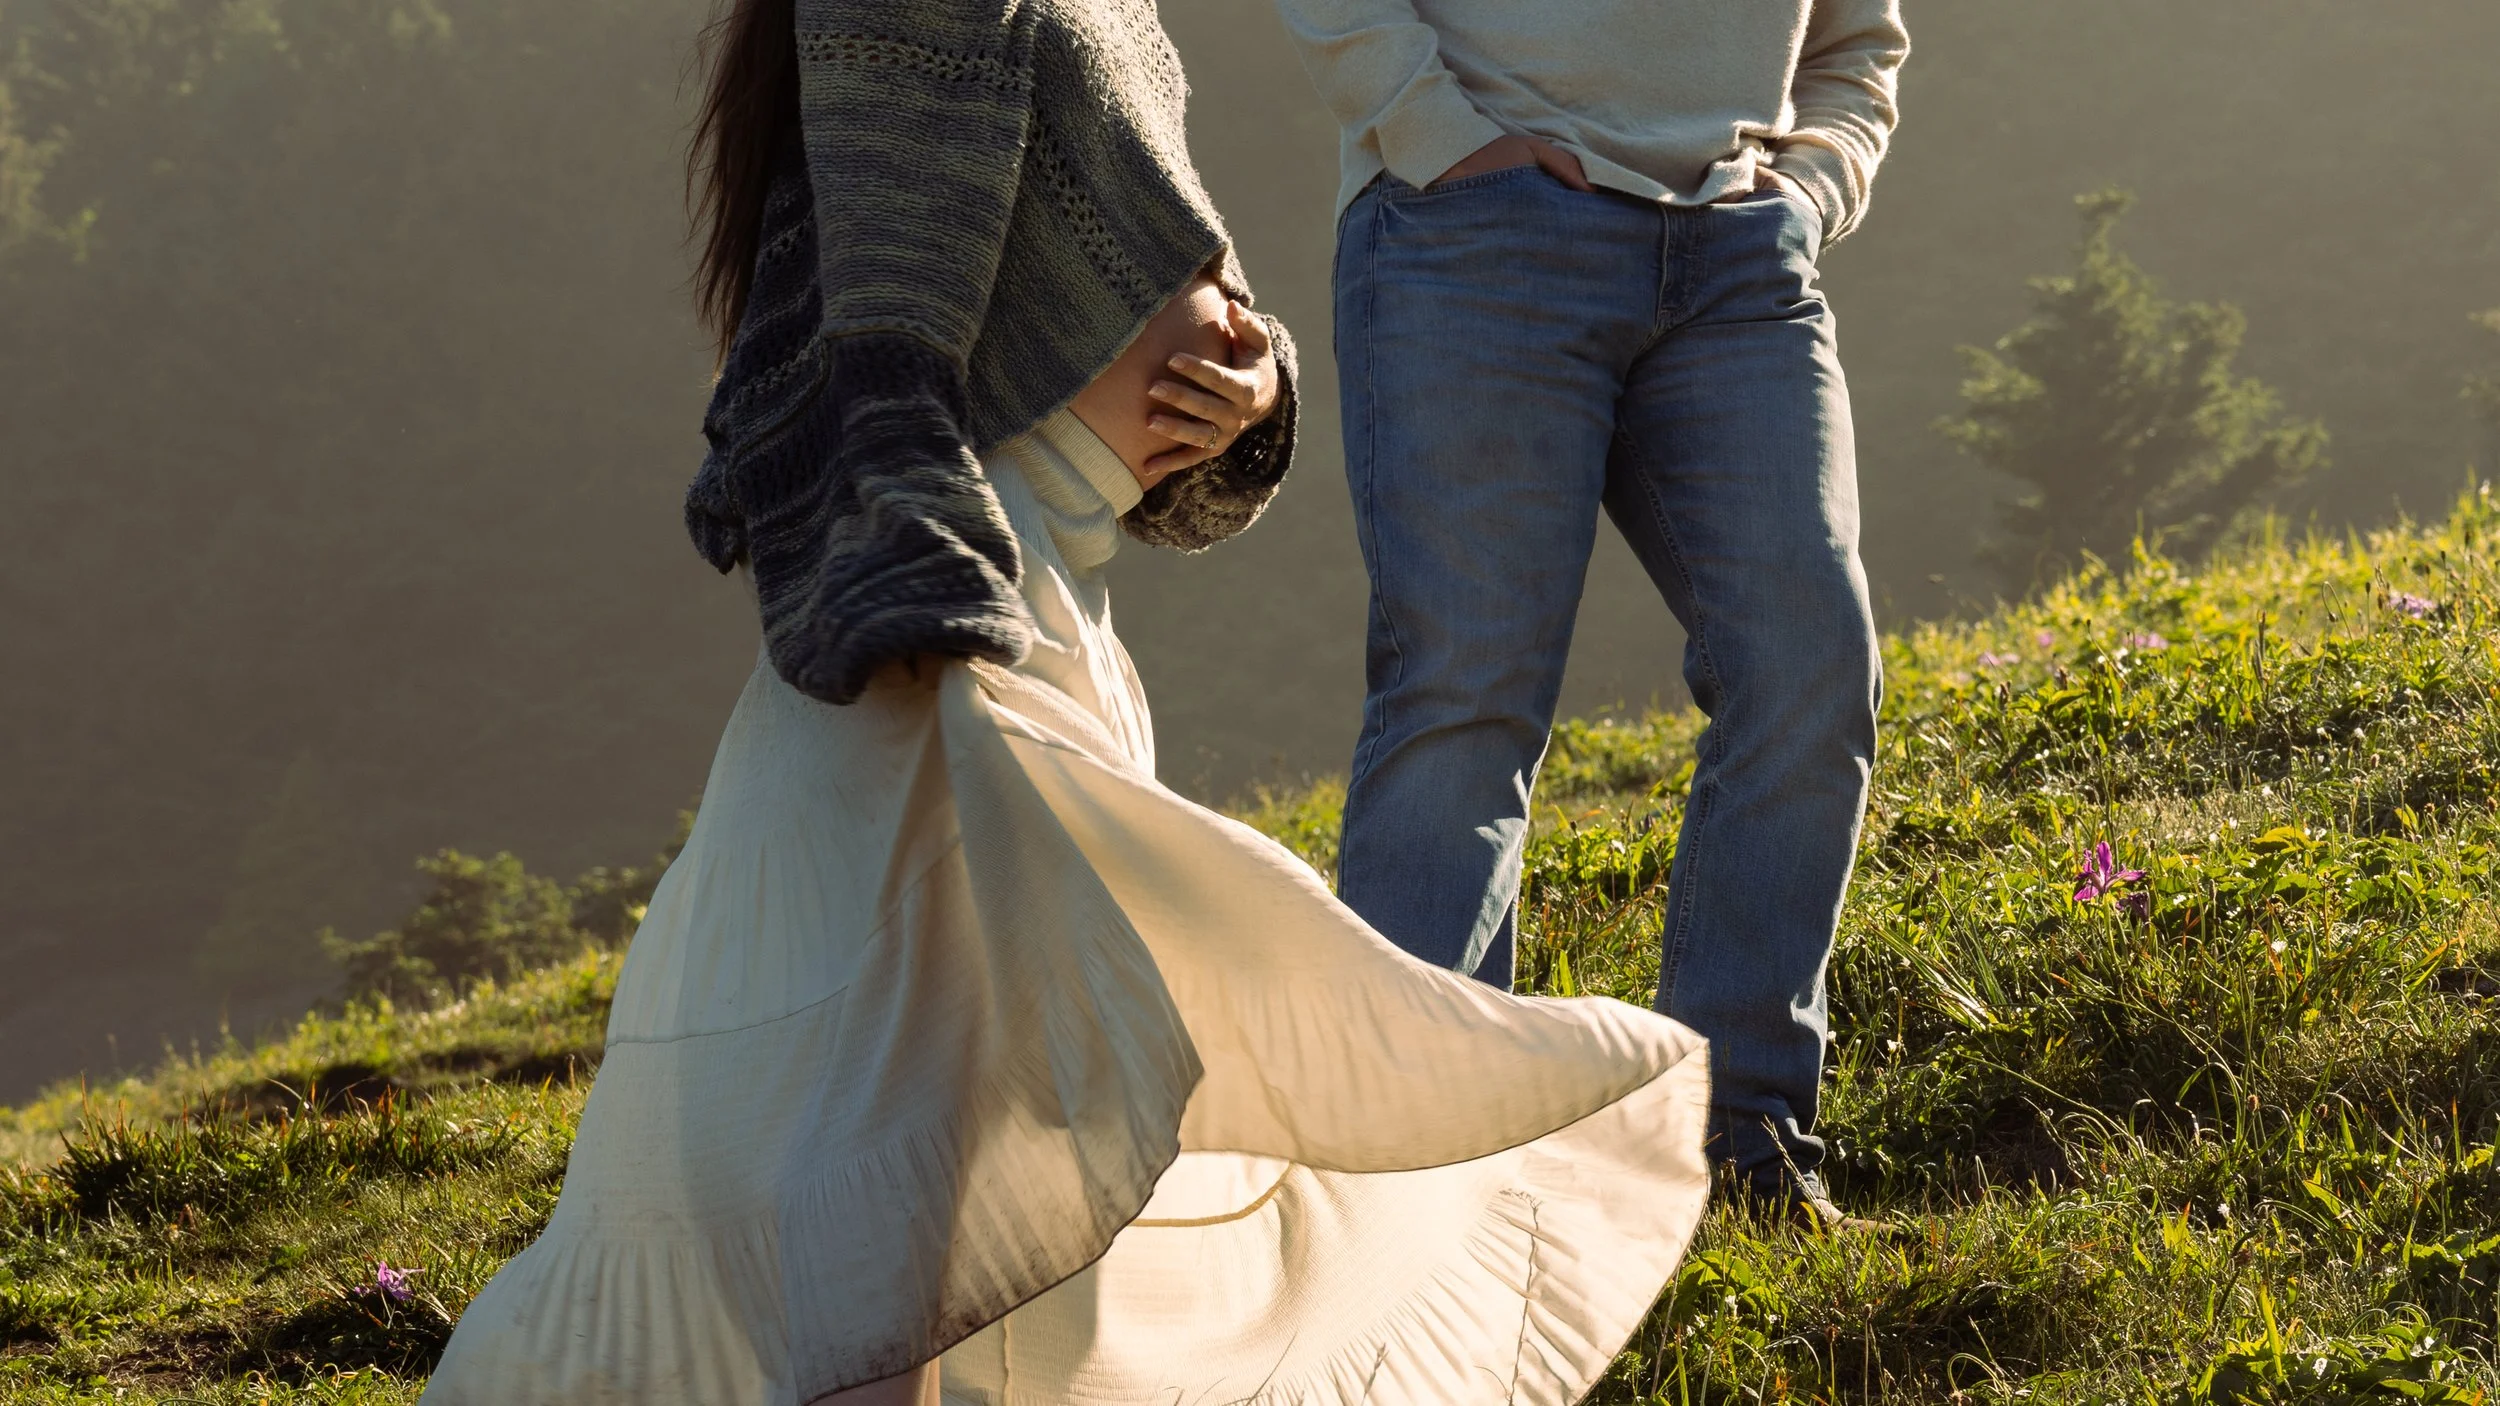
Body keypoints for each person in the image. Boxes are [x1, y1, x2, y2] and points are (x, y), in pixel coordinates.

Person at [418, 1, 1711, 1402]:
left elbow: (1149, 250)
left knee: (987, 1129)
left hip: (1052, 601)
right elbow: (878, 333)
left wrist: (1251, 377)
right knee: (914, 1146)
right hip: (952, 631)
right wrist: (925, 587)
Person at [1273, 0, 1910, 1224]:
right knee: (1466, 695)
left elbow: (1857, 42)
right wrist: (1442, 136)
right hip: (1476, 229)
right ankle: (1417, 1176)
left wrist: (1808, 189)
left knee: (1808, 663)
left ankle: (1734, 1148)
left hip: (1737, 252)